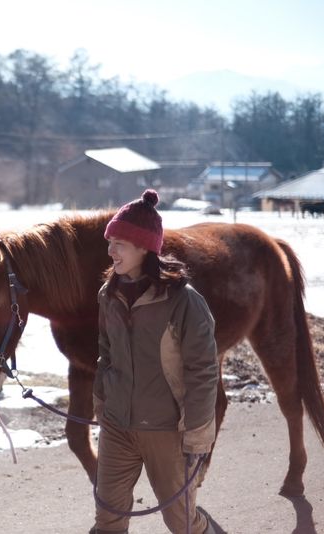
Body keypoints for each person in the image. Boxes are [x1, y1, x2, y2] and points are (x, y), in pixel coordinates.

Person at [92, 189, 219, 534]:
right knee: (107, 519)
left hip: (167, 429)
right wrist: (102, 400)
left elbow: (204, 371)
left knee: (182, 522)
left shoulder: (183, 301)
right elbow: (106, 352)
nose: (110, 250)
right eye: (110, 241)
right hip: (118, 426)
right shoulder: (109, 294)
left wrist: (197, 430)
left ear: (144, 247)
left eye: (119, 242)